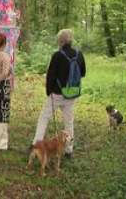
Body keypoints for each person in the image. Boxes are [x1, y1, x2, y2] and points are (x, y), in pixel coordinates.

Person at [31, 29, 86, 158]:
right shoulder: (79, 54)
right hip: (72, 94)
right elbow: (83, 73)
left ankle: (36, 144)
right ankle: (68, 150)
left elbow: (50, 75)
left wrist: (48, 91)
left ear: (60, 41)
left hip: (56, 93)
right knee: (69, 121)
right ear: (70, 40)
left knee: (44, 117)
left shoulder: (57, 55)